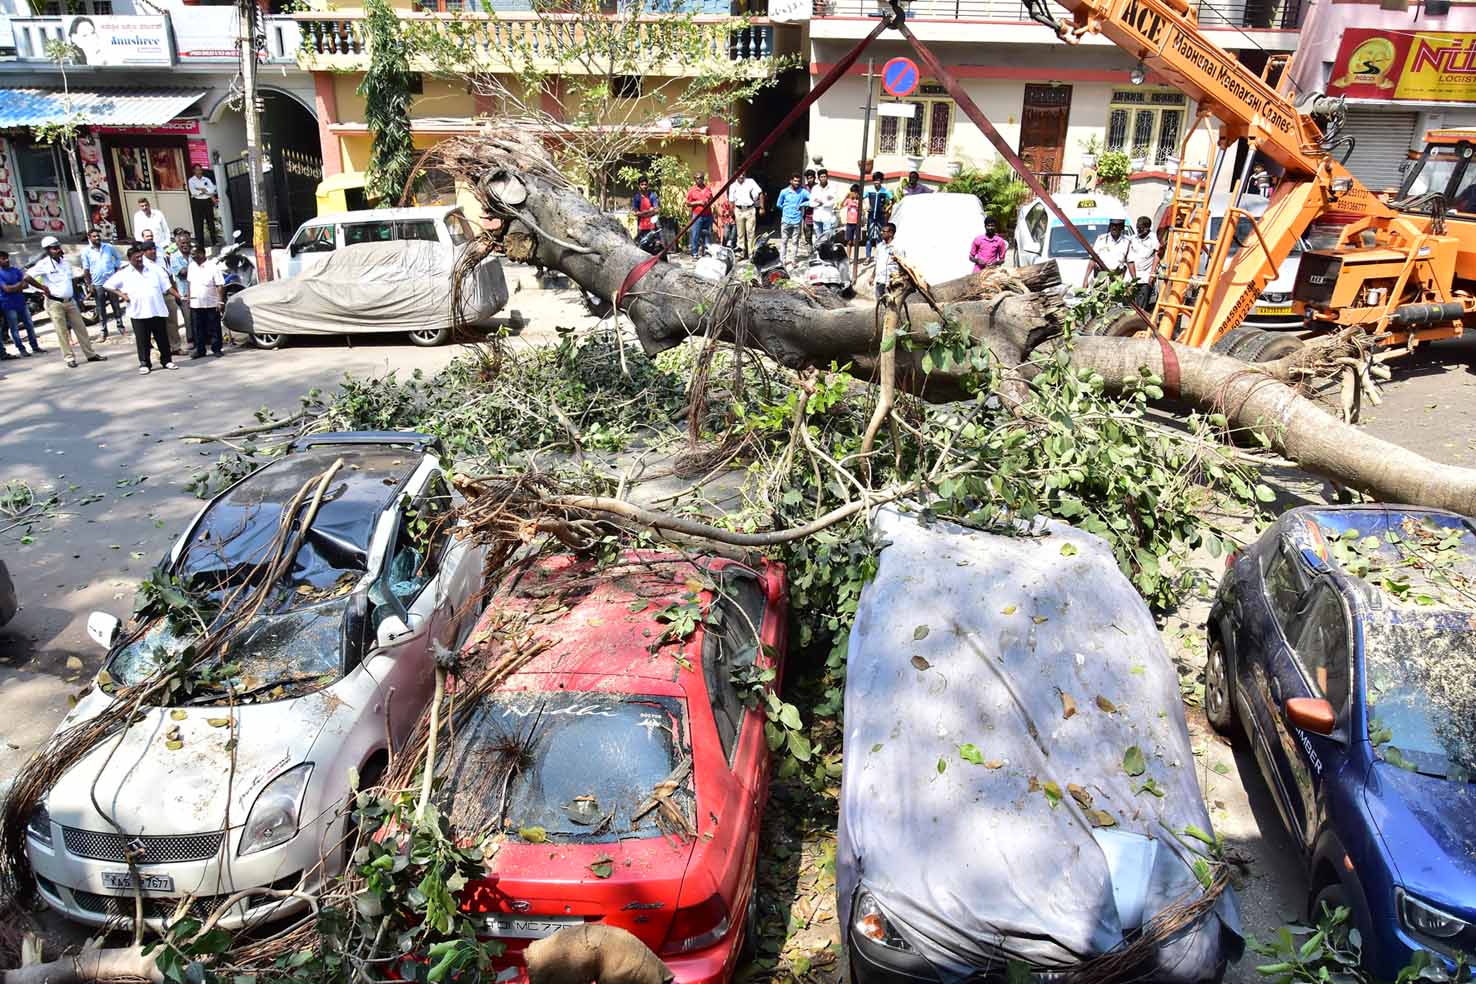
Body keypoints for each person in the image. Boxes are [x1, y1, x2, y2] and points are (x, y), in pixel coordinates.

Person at [27, 236, 105, 369]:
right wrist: (42, 288)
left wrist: (78, 299)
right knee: (62, 332)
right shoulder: (43, 264)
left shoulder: (65, 262)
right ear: (48, 250)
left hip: (70, 301)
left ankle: (90, 354)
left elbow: (71, 281)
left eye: (58, 247)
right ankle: (69, 357)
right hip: (54, 302)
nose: (57, 250)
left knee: (81, 328)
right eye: (54, 248)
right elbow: (27, 277)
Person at [104, 244, 179, 374]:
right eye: (136, 258)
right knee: (142, 340)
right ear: (129, 259)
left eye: (140, 257)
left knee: (162, 338)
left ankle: (167, 360)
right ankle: (145, 363)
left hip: (157, 310)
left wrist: (180, 296)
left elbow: (167, 287)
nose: (139, 260)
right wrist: (122, 295)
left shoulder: (154, 270)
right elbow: (108, 285)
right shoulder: (124, 273)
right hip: (138, 312)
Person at [140, 237, 186, 355]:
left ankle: (176, 347)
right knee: (156, 323)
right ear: (144, 252)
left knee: (172, 321)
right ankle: (160, 349)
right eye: (149, 250)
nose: (153, 251)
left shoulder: (163, 259)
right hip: (153, 297)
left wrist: (176, 293)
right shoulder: (142, 263)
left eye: (154, 248)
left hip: (168, 294)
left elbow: (170, 276)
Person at [81, 227, 126, 340]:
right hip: (97, 283)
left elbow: (117, 258)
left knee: (115, 304)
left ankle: (120, 326)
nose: (97, 238)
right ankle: (103, 330)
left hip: (111, 281)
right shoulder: (86, 251)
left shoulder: (108, 247)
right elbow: (86, 269)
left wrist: (116, 268)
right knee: (100, 307)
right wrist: (89, 284)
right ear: (89, 238)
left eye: (98, 236)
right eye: (94, 236)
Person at [0, 250, 43, 357]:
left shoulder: (15, 270)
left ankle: (35, 346)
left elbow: (26, 284)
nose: (6, 260)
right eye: (3, 259)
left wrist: (14, 287)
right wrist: (18, 285)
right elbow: (7, 289)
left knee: (30, 325)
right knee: (14, 329)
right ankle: (21, 349)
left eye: (6, 258)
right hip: (8, 305)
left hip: (21, 302)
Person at [185, 245, 225, 359]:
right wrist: (189, 297)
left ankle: (216, 348)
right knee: (197, 328)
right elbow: (189, 282)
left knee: (214, 327)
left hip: (211, 302)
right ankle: (200, 349)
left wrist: (220, 301)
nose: (192, 256)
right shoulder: (191, 266)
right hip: (196, 302)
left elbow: (220, 285)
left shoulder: (212, 266)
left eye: (194, 254)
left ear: (201, 254)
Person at [163, 228, 193, 349]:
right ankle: (191, 340)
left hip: (198, 290)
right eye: (182, 243)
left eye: (187, 243)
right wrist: (197, 268)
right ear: (177, 244)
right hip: (183, 292)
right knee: (189, 318)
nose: (185, 245)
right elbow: (182, 272)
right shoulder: (174, 257)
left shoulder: (193, 253)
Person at [1085, 217, 1131, 286]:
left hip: (1117, 280)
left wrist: (1133, 280)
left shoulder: (1127, 242)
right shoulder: (1101, 239)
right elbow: (1092, 260)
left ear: (1121, 227)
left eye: (1117, 225)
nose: (1114, 228)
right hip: (1100, 279)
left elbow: (1130, 262)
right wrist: (1086, 279)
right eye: (1113, 225)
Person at [1126, 215, 1161, 309]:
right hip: (1132, 277)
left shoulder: (1154, 239)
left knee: (1141, 306)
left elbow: (1157, 255)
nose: (1138, 231)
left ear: (1147, 228)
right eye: (1137, 228)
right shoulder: (1133, 239)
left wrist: (1152, 274)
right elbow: (1129, 259)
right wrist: (1133, 279)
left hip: (1146, 277)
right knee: (1130, 305)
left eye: (1140, 229)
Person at [776, 173, 811, 267]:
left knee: (795, 241)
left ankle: (793, 260)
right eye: (795, 181)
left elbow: (811, 200)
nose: (797, 183)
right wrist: (786, 208)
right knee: (784, 241)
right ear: (791, 181)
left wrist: (802, 205)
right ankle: (782, 261)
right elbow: (778, 204)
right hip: (786, 220)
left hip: (797, 221)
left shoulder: (803, 192)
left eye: (798, 181)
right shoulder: (784, 192)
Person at [728, 171, 764, 257]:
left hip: (750, 210)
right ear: (735, 176)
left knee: (750, 233)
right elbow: (731, 201)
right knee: (740, 234)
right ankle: (741, 253)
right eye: (739, 175)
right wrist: (731, 213)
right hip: (739, 210)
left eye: (743, 174)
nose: (741, 176)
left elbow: (760, 193)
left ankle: (751, 253)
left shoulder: (750, 182)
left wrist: (762, 207)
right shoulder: (733, 186)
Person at [862, 171, 892, 260]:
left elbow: (892, 200)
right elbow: (862, 198)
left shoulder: (885, 191)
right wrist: (866, 207)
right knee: (869, 237)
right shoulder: (869, 190)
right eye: (875, 180)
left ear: (881, 181)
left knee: (880, 237)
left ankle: (879, 256)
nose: (876, 182)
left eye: (878, 180)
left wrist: (886, 209)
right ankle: (868, 256)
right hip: (871, 216)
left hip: (880, 217)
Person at [187, 164, 219, 246]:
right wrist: (203, 191)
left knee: (210, 221)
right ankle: (200, 243)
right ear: (194, 171)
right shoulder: (191, 180)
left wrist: (203, 190)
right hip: (197, 202)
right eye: (197, 170)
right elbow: (194, 193)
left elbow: (212, 189)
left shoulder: (206, 179)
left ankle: (214, 241)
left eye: (200, 170)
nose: (199, 171)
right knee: (199, 223)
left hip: (207, 201)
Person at [685, 173, 714, 259]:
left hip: (708, 215)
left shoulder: (708, 189)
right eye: (697, 178)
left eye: (701, 178)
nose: (699, 180)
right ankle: (694, 253)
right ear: (695, 179)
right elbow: (688, 203)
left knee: (707, 235)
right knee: (696, 235)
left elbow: (711, 199)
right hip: (697, 216)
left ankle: (707, 253)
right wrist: (698, 203)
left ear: (703, 179)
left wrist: (708, 202)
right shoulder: (692, 190)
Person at [810, 168, 839, 244]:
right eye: (821, 177)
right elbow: (811, 203)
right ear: (819, 178)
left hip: (827, 217)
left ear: (827, 177)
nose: (823, 178)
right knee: (818, 238)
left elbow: (833, 202)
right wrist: (824, 201)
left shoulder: (832, 188)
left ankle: (827, 255)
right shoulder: (815, 188)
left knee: (827, 239)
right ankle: (819, 256)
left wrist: (821, 202)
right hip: (817, 217)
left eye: (824, 176)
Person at [873, 221, 898, 300]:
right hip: (880, 280)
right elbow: (877, 262)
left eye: (884, 231)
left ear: (891, 233)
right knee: (879, 302)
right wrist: (872, 276)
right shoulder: (880, 246)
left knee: (891, 303)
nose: (881, 233)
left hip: (891, 282)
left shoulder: (897, 247)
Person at [842, 184, 861, 257]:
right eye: (853, 192)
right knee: (849, 241)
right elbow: (841, 205)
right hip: (849, 223)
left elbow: (864, 208)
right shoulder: (848, 200)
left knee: (856, 241)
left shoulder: (860, 201)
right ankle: (848, 257)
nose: (854, 194)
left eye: (856, 192)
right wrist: (845, 197)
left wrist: (858, 202)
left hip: (857, 223)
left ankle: (856, 256)